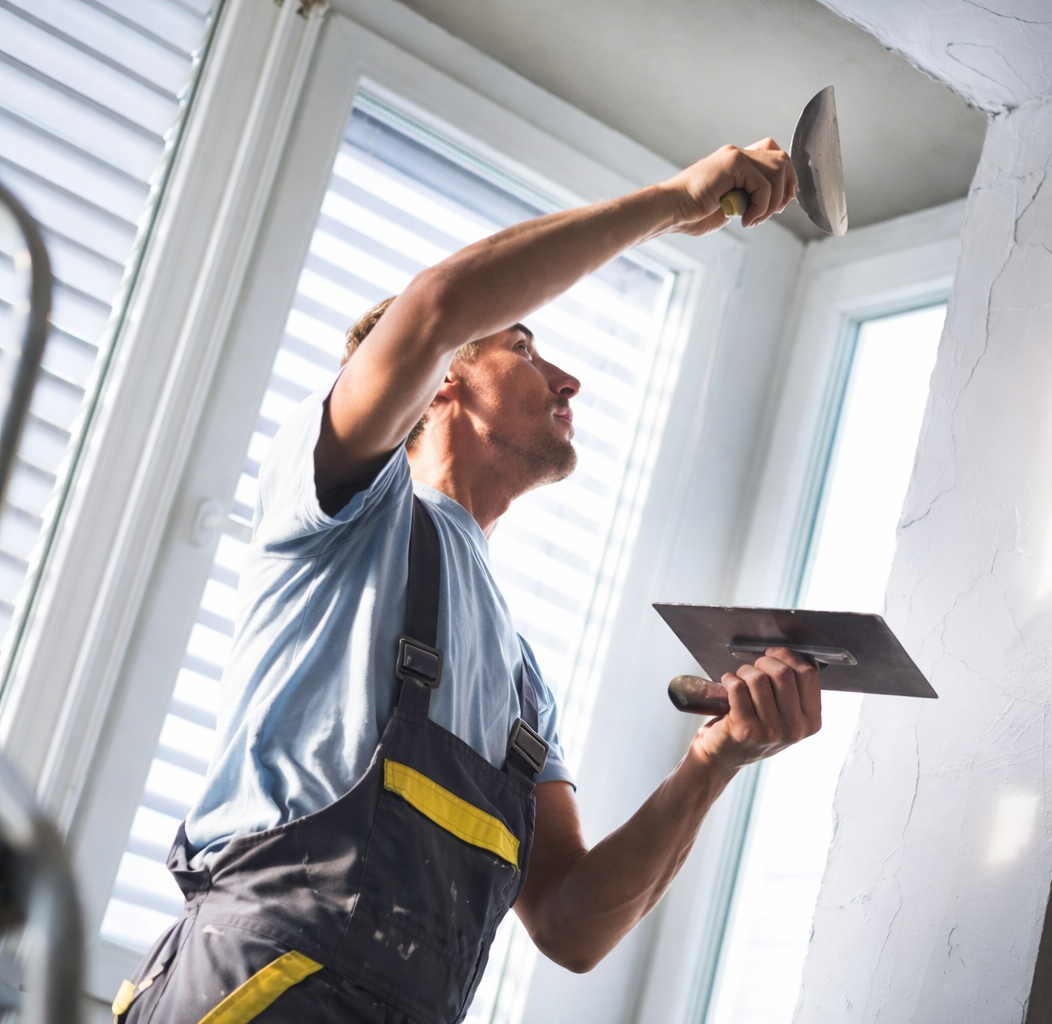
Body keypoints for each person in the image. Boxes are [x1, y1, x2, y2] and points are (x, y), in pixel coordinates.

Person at [113, 139, 823, 1024]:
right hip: (263, 991)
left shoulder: (524, 692)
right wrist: (673, 201)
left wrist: (716, 760)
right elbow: (441, 304)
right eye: (524, 347)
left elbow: (571, 926)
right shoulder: (346, 511)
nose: (568, 378)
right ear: (445, 378)